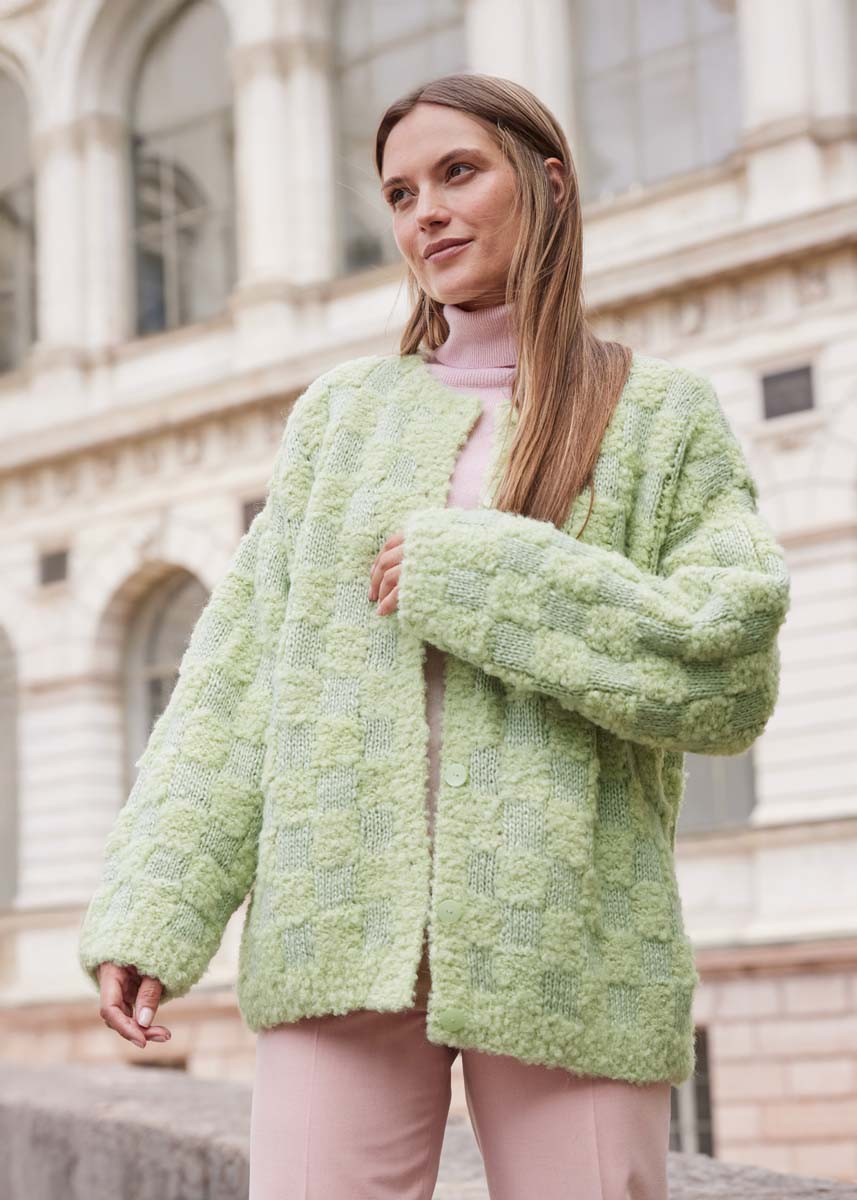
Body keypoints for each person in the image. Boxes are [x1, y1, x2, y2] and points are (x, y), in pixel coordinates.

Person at [83, 73, 791, 1200]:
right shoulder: (341, 418)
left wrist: (480, 573)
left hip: (568, 941)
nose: (426, 213)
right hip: (334, 923)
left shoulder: (656, 416)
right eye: (400, 193)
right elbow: (235, 681)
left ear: (547, 183)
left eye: (457, 173)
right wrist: (154, 907)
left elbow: (723, 671)